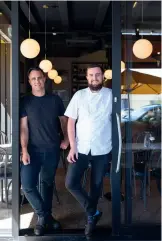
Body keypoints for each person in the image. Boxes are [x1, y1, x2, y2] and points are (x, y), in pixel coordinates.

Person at [20, 67, 69, 236]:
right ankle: (44, 216)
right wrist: (24, 150)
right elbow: (24, 128)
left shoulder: (55, 100)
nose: (37, 81)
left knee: (47, 184)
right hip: (32, 151)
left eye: (39, 78)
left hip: (52, 149)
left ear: (44, 79)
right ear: (29, 81)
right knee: (27, 185)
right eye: (33, 78)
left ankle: (43, 221)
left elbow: (64, 121)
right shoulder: (25, 101)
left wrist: (67, 139)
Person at [64, 64, 112, 238]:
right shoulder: (79, 95)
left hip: (103, 148)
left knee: (96, 187)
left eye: (97, 75)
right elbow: (70, 121)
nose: (94, 78)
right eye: (91, 75)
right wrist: (72, 146)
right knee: (70, 183)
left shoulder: (111, 95)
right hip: (81, 148)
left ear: (102, 76)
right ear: (87, 77)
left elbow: (118, 120)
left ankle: (90, 220)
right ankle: (93, 212)